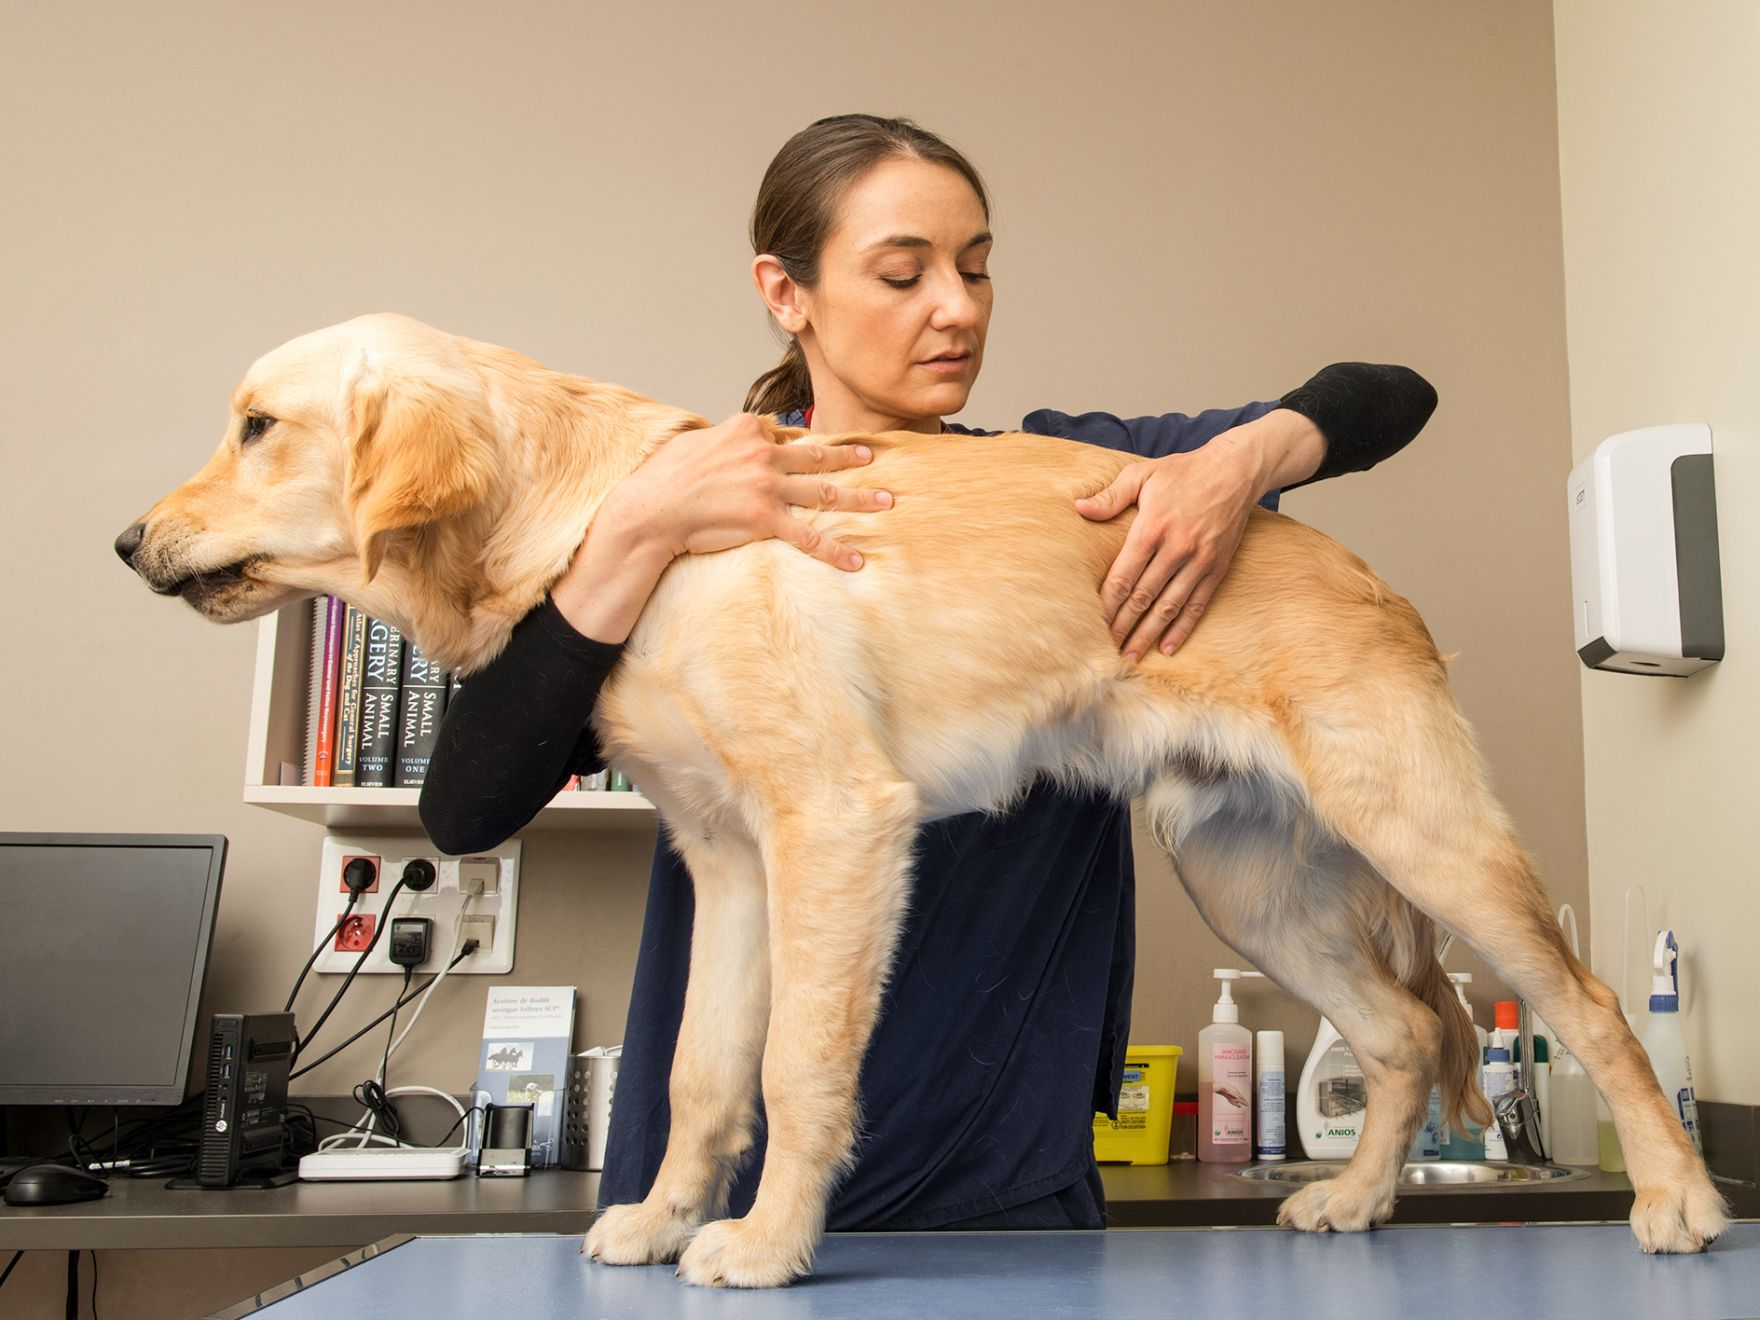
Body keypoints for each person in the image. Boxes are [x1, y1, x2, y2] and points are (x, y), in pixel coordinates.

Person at [421, 114, 1437, 1230]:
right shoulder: (687, 528)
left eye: (976, 268)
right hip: (710, 1193)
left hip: (999, 1166)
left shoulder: (1070, 485)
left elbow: (1386, 396)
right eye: (902, 274)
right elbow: (467, 808)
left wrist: (1235, 463)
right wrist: (630, 534)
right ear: (785, 292)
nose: (955, 307)